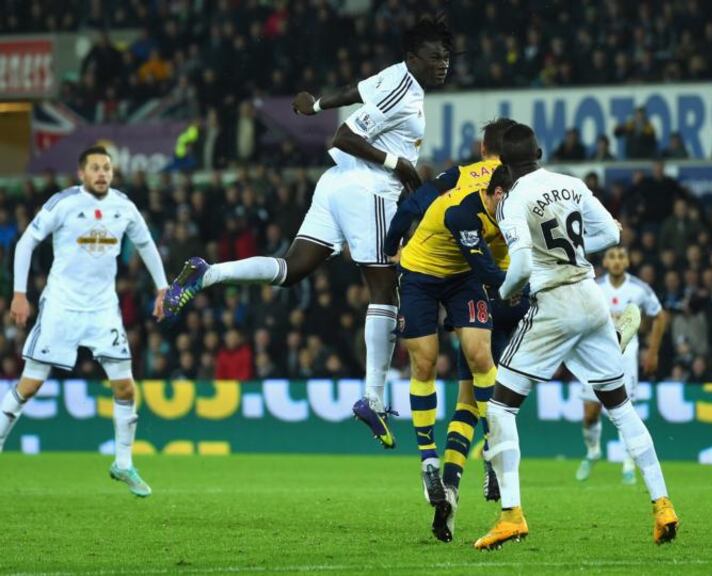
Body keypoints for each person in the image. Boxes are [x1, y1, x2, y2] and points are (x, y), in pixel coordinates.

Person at [160, 17, 453, 449]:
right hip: (368, 188)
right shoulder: (404, 91)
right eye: (434, 57)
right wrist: (400, 165)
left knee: (291, 269)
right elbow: (344, 136)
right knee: (384, 290)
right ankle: (373, 398)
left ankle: (208, 273)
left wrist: (315, 105)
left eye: (446, 57)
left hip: (335, 185)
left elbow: (353, 91)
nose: (443, 64)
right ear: (413, 58)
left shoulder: (394, 75)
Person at [475, 124, 678, 550]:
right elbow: (612, 234)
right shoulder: (571, 183)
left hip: (553, 302)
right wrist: (575, 252)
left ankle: (511, 515)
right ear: (539, 153)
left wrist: (503, 293)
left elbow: (522, 266)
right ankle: (663, 505)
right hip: (591, 296)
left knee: (500, 407)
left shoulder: (513, 199)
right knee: (620, 408)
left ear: (504, 163)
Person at [1, 146, 168, 497]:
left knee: (125, 388)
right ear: (81, 174)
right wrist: (19, 293)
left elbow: (146, 244)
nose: (102, 173)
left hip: (102, 310)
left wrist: (162, 287)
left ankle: (123, 463)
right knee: (29, 386)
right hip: (61, 307)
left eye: (107, 167)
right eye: (95, 168)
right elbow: (26, 243)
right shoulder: (63, 203)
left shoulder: (123, 206)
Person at [382, 119, 520, 542]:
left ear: (484, 149)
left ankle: (490, 451)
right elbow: (494, 266)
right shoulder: (486, 198)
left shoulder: (464, 176)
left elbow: (414, 202)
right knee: (432, 363)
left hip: (464, 279)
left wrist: (390, 244)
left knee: (471, 359)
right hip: (423, 274)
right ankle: (429, 461)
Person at [576, 246, 669, 485]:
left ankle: (628, 464)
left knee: (624, 409)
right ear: (605, 262)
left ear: (627, 262)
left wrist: (653, 352)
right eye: (612, 257)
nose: (617, 261)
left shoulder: (639, 289)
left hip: (626, 357)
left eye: (621, 257)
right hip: (596, 356)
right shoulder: (594, 287)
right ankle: (593, 451)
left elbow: (660, 316)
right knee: (590, 414)